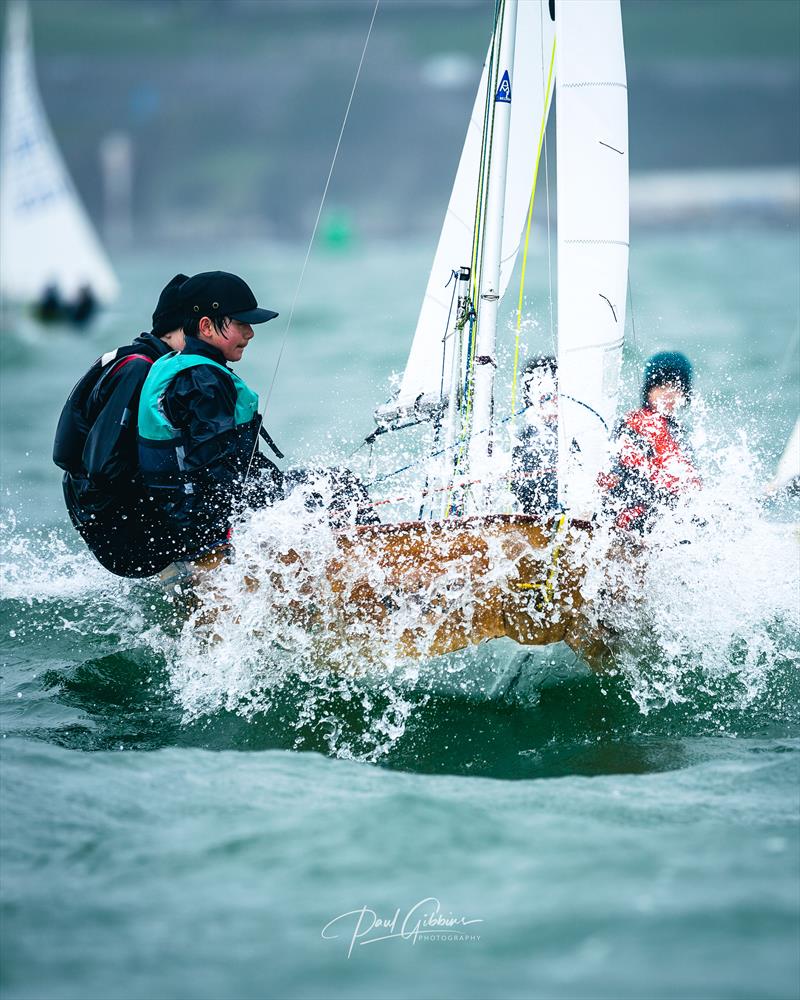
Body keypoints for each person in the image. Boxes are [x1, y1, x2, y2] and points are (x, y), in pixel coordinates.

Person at [137, 271, 284, 575]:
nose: (250, 333)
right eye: (241, 323)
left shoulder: (174, 366)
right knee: (340, 487)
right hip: (206, 528)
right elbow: (214, 473)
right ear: (206, 326)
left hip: (184, 521)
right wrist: (275, 506)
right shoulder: (203, 381)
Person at [53, 273, 190, 576]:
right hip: (117, 526)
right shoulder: (140, 368)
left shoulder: (140, 358)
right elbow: (102, 467)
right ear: (179, 328)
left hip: (105, 511)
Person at [599, 351, 701, 532]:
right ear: (648, 390)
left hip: (663, 515)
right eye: (661, 387)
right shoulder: (634, 424)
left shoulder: (680, 431)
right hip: (632, 517)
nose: (669, 395)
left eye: (676, 388)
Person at [509, 355, 559, 515]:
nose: (555, 404)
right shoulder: (523, 441)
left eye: (559, 395)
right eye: (547, 398)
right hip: (537, 521)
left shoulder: (580, 434)